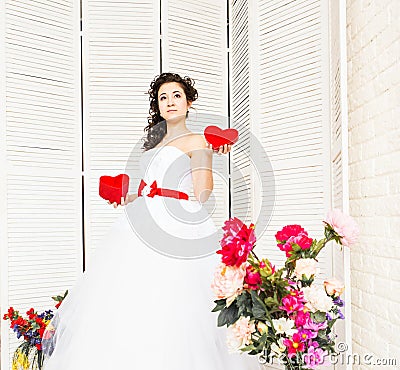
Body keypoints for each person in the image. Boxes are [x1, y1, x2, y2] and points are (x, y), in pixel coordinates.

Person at [42, 73, 259, 369]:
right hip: (141, 220)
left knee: (175, 299)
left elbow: (202, 194)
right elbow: (150, 187)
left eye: (176, 95)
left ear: (189, 102)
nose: (170, 102)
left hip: (179, 222)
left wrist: (207, 155)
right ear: (157, 106)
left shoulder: (198, 140)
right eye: (163, 97)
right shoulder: (152, 144)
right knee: (129, 296)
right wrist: (125, 196)